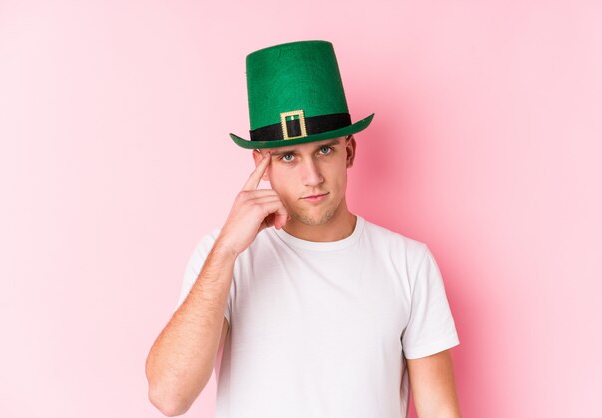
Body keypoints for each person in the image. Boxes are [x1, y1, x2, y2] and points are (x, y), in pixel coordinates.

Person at [146, 40, 462, 418]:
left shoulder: (409, 263)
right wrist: (227, 249)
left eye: (324, 150)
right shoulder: (224, 257)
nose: (311, 177)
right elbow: (168, 396)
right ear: (261, 164)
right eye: (289, 156)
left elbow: (440, 411)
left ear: (349, 151)